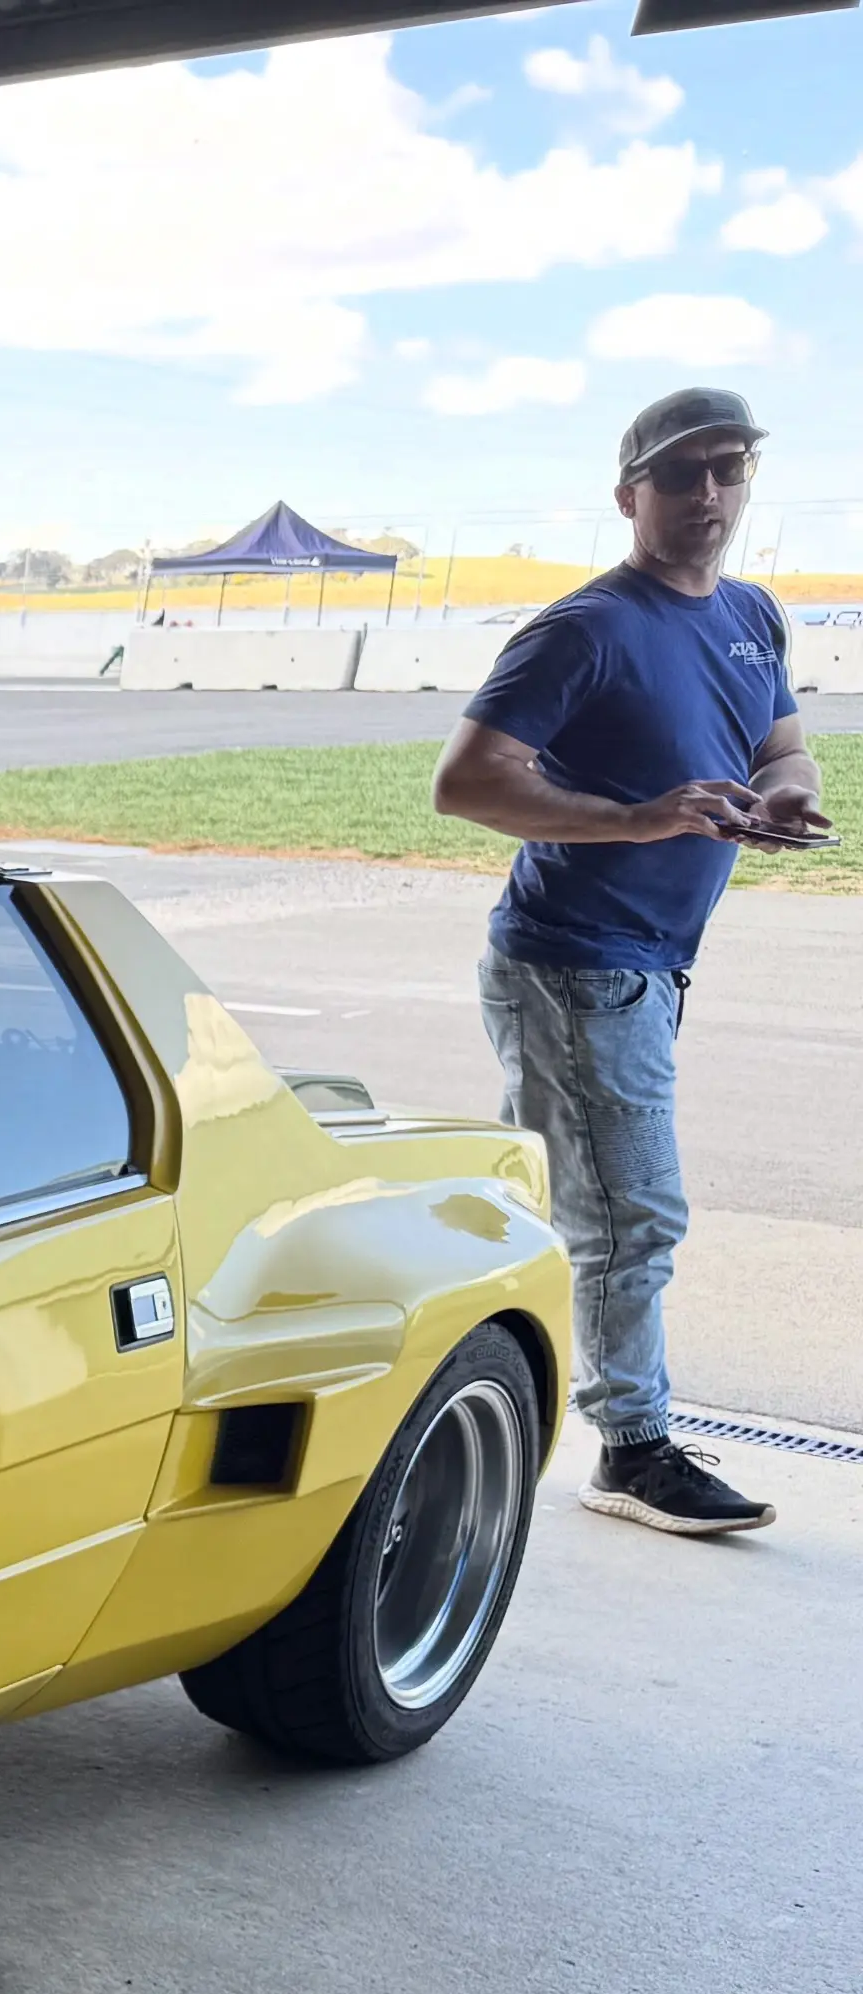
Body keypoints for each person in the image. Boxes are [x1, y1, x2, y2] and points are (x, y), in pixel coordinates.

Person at [433, 388, 830, 1539]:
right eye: (680, 473)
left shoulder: (750, 614)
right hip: (576, 962)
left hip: (652, 963)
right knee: (630, 1215)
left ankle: (471, 1365)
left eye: (729, 468)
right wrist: (640, 819)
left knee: (564, 1196)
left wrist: (786, 796)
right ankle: (631, 1448)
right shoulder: (584, 629)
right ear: (628, 496)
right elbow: (465, 782)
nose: (708, 493)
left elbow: (782, 746)